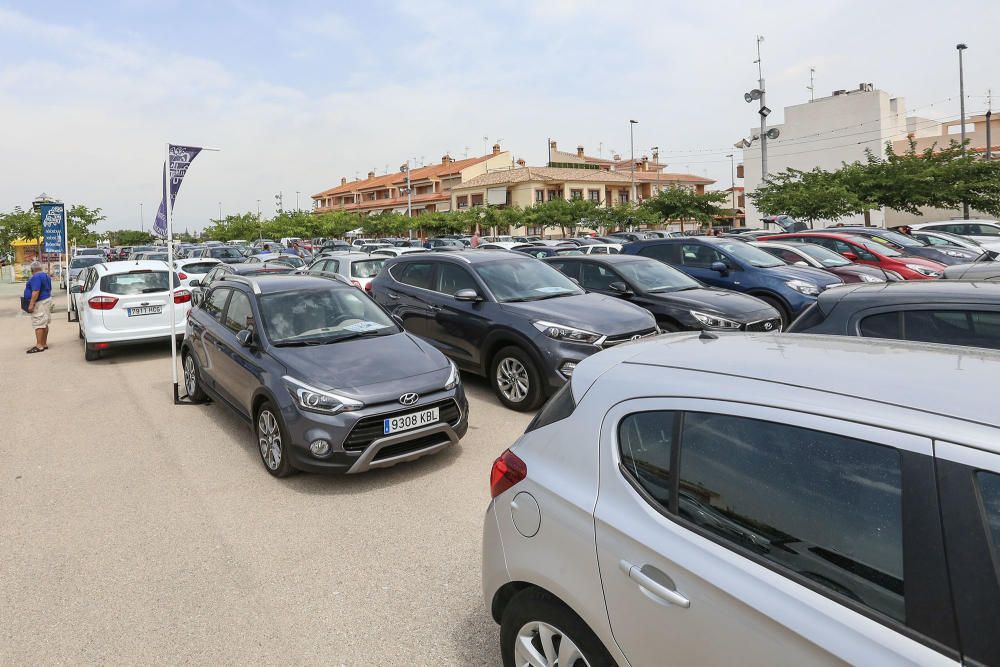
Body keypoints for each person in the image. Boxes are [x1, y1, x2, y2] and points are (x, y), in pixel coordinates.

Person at [24, 261, 53, 354]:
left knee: (39, 323)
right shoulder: (46, 275)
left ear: (32, 270)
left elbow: (36, 291)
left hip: (40, 302)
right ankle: (44, 343)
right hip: (46, 300)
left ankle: (39, 345)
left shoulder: (36, 277)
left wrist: (31, 304)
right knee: (44, 322)